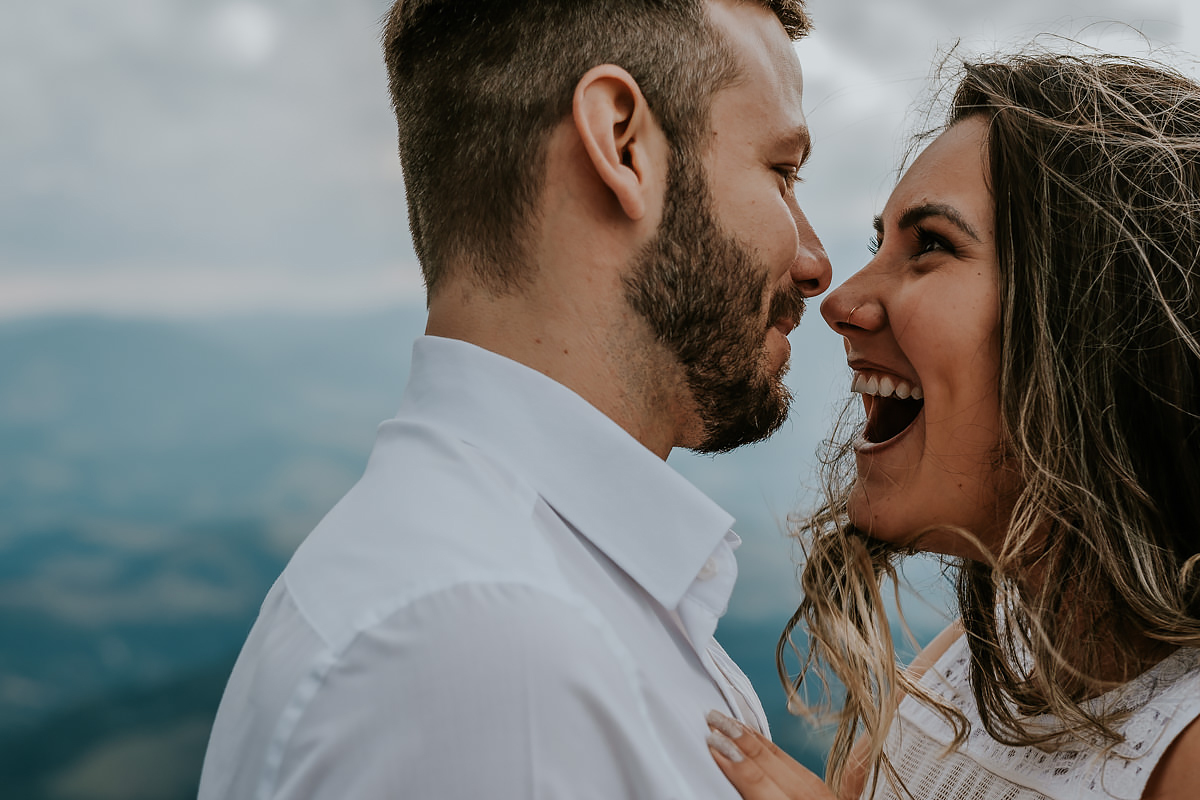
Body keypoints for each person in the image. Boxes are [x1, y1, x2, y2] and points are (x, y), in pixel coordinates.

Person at [197, 0, 832, 797]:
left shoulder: (503, 602)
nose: (815, 261)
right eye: (781, 171)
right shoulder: (489, 648)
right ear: (622, 143)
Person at [702, 51, 1200, 799]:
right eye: (881, 245)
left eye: (930, 244)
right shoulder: (969, 662)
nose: (841, 302)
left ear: (1100, 334)